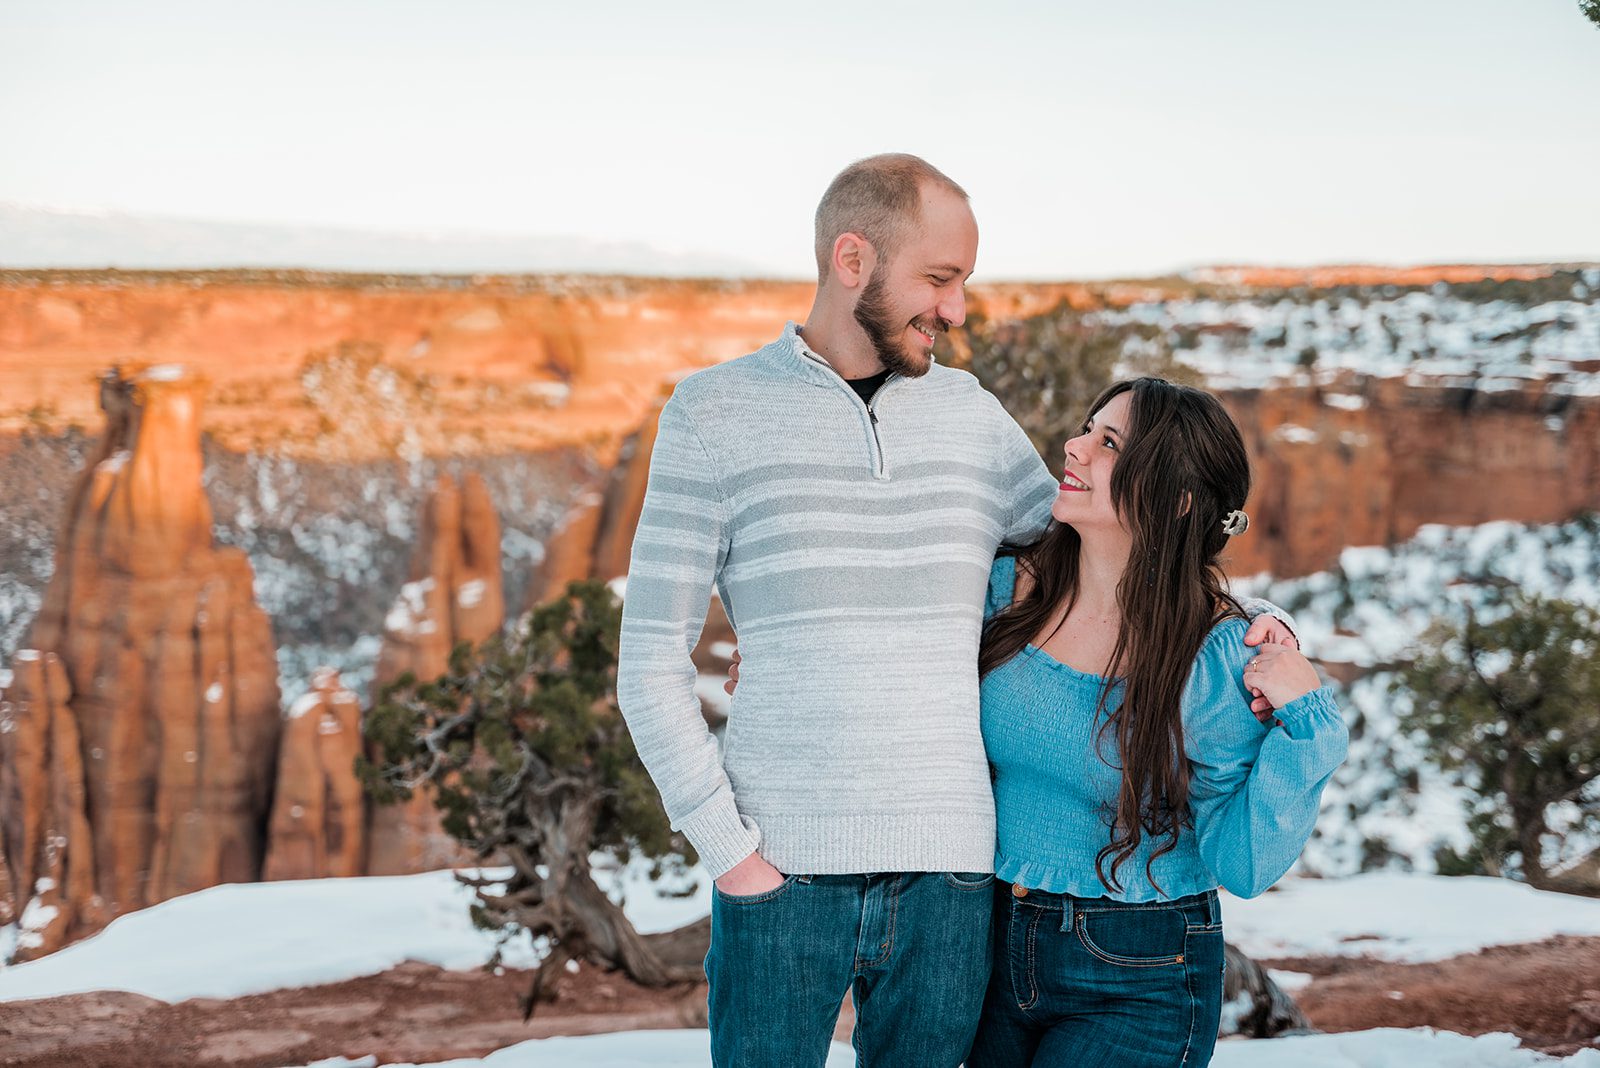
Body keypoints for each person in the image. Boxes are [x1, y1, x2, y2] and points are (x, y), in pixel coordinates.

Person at [615, 153, 1295, 1068]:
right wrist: (733, 854)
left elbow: (1102, 540)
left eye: (963, 282)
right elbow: (649, 659)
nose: (958, 310)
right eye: (939, 279)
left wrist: (1238, 622)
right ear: (852, 260)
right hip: (778, 867)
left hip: (953, 881)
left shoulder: (969, 415)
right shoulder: (713, 413)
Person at [966, 378, 1349, 1067]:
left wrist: (1308, 727)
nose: (1073, 446)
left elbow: (1243, 861)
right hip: (989, 945)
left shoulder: (1215, 655)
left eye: (1108, 443)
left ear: (1174, 501)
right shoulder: (1007, 590)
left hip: (1137, 970)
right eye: (1089, 427)